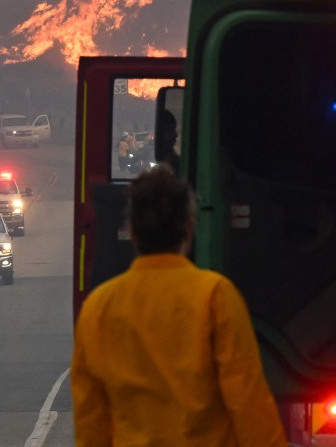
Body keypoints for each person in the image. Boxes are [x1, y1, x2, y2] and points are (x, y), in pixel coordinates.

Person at [71, 168, 288, 447]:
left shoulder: (98, 307)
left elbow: (90, 421)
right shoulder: (215, 296)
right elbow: (249, 403)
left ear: (133, 232)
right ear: (189, 227)